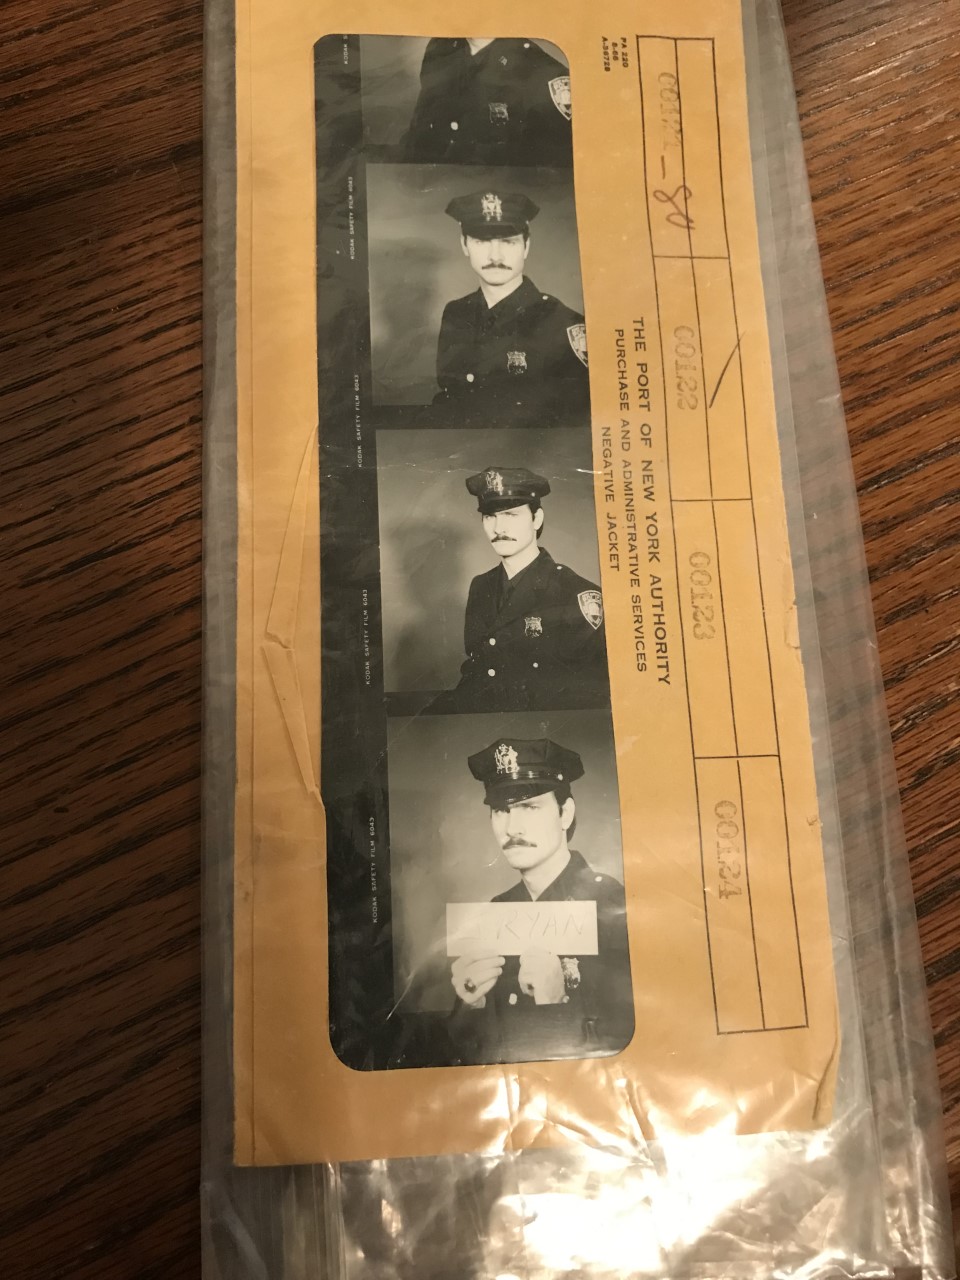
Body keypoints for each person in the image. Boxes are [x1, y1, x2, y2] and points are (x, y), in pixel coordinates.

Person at [448, 737, 634, 1065]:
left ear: (565, 814)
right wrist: (470, 1005)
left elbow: (637, 1052)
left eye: (529, 806)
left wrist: (557, 1000)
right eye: (501, 810)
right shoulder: (496, 911)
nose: (512, 827)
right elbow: (464, 1056)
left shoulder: (615, 906)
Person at [440, 467, 609, 712]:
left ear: (536, 519)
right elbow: (477, 667)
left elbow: (590, 692)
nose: (498, 528)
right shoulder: (481, 585)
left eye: (511, 514)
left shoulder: (576, 594)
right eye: (489, 515)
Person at [434, 191, 590, 425]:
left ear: (526, 246)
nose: (495, 255)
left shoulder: (562, 324)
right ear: (464, 245)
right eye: (482, 241)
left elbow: (577, 422)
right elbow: (450, 399)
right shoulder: (457, 313)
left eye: (508, 241)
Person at [402, 37, 573, 166]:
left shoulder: (543, 71)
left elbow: (553, 173)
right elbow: (421, 127)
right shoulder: (441, 48)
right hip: (436, 188)